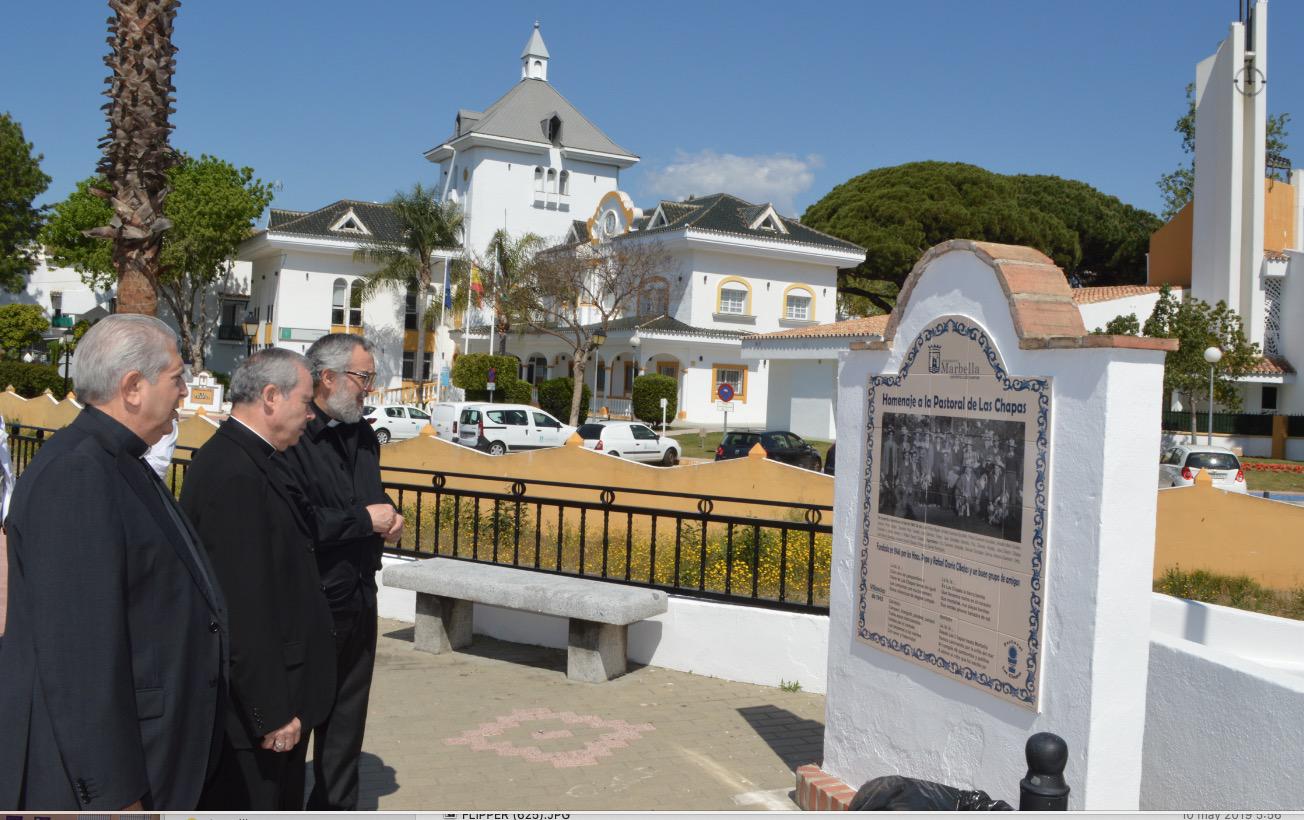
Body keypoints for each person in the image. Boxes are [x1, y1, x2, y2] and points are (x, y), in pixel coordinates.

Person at [0, 315, 227, 810]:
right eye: (176, 378)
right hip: (116, 777)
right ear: (132, 387)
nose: (186, 392)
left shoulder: (117, 459)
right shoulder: (79, 472)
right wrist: (114, 795)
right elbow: (78, 653)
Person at [179, 348, 336, 809]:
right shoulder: (234, 472)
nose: (310, 414)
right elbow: (242, 605)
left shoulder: (259, 458)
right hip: (259, 717)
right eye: (305, 401)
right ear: (271, 396)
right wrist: (270, 712)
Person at [280, 333, 403, 810]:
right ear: (326, 378)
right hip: (312, 599)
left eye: (372, 378)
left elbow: (367, 498)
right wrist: (363, 520)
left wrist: (389, 516)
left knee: (347, 720)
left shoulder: (364, 434)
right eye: (363, 377)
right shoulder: (293, 438)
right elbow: (296, 522)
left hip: (359, 592)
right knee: (297, 719)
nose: (369, 388)